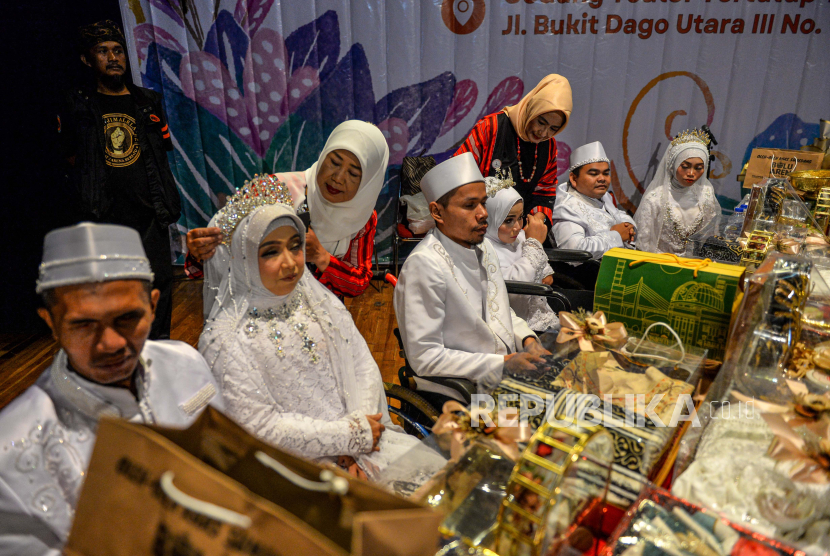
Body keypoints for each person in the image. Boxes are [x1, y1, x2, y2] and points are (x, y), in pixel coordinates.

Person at [0, 223, 221, 555]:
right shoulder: (11, 455)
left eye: (127, 318)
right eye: (84, 324)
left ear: (153, 306)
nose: (111, 343)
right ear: (51, 323)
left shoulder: (187, 364)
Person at [198, 201, 417, 481]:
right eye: (271, 252)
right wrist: (346, 438)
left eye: (295, 245)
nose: (290, 262)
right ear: (242, 260)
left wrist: (359, 434)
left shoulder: (319, 302)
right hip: (291, 472)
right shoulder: (224, 338)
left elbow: (363, 365)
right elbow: (259, 427)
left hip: (365, 445)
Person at [58, 20, 181, 340]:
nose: (113, 57)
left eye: (118, 50)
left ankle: (160, 351)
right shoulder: (78, 103)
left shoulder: (148, 101)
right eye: (102, 51)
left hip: (150, 212)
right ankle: (125, 354)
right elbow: (69, 155)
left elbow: (162, 149)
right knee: (114, 292)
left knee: (159, 286)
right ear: (87, 59)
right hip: (106, 216)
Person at [394, 153, 550, 396]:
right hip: (463, 394)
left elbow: (498, 309)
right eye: (469, 205)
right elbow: (424, 357)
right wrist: (501, 365)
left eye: (483, 203)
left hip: (506, 375)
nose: (483, 214)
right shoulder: (424, 265)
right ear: (436, 212)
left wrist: (528, 340)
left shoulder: (482, 246)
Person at [186, 121, 389, 304]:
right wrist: (199, 253)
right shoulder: (273, 189)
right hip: (259, 315)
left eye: (353, 173)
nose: (338, 177)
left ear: (367, 184)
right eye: (334, 162)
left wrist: (322, 257)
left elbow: (359, 283)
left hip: (323, 318)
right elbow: (214, 255)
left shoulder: (362, 217)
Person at [454, 74, 572, 222]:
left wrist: (537, 222)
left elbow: (544, 192)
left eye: (553, 128)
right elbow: (457, 175)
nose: (543, 133)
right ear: (531, 109)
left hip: (519, 228)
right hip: (478, 221)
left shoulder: (549, 146)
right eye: (541, 122)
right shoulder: (490, 127)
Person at [484, 179, 561, 333]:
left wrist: (544, 271)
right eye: (508, 220)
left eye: (520, 217)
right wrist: (534, 242)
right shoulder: (485, 248)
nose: (518, 227)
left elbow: (543, 271)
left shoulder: (518, 236)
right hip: (519, 327)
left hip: (543, 314)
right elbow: (517, 284)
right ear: (489, 219)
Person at [635, 129, 721, 255]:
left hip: (695, 265)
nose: (691, 173)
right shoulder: (655, 199)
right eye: (685, 166)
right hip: (660, 265)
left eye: (698, 168)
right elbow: (643, 243)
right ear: (673, 165)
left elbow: (711, 235)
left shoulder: (706, 194)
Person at [552, 141, 636, 260]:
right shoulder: (567, 207)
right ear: (574, 178)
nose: (602, 179)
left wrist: (628, 227)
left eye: (606, 173)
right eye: (594, 174)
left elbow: (617, 215)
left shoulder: (603, 196)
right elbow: (573, 251)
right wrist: (616, 236)